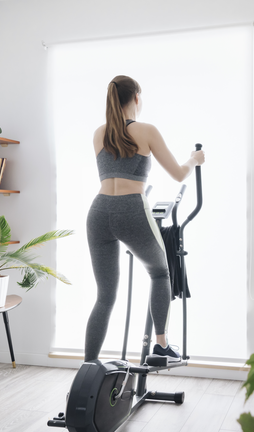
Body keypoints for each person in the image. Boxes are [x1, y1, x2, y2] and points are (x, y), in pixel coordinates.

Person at [85, 75, 205, 363]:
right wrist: (194, 160)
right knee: (160, 272)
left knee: (105, 296)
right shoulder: (147, 131)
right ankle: (161, 344)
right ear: (136, 97)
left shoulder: (99, 133)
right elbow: (178, 173)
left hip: (99, 211)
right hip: (131, 209)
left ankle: (87, 369)